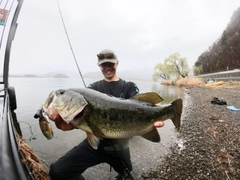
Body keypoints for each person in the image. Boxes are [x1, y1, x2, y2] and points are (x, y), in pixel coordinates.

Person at [49, 49, 164, 180]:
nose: (107, 67)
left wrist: (151, 123)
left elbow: (140, 108)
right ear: (99, 66)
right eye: (104, 65)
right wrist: (61, 121)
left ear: (117, 63)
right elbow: (73, 123)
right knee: (57, 172)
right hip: (92, 146)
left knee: (127, 176)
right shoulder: (91, 89)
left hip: (121, 148)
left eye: (111, 64)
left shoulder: (129, 87)